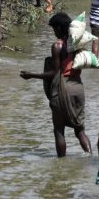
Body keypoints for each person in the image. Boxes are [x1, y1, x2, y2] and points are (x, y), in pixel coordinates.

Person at [19, 13, 92, 158]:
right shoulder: (77, 43)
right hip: (78, 87)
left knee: (59, 130)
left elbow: (54, 73)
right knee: (80, 130)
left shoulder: (57, 46)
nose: (54, 33)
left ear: (59, 28)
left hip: (62, 88)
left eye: (54, 29)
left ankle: (61, 165)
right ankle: (90, 157)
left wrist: (32, 75)